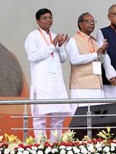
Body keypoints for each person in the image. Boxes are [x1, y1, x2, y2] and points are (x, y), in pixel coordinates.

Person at [24, 8, 71, 140]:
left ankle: (56, 144)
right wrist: (52, 45)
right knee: (40, 119)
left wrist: (60, 46)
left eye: (50, 17)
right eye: (44, 18)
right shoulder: (32, 36)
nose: (48, 20)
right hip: (42, 82)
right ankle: (41, 146)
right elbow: (32, 57)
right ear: (38, 21)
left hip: (56, 82)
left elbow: (62, 59)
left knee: (59, 117)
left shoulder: (54, 36)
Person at [66, 12, 109, 113]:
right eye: (88, 21)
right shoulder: (73, 40)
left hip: (97, 85)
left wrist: (103, 52)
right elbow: (74, 60)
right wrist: (95, 54)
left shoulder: (94, 41)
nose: (92, 24)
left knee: (97, 119)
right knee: (81, 118)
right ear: (80, 24)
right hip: (81, 86)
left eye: (93, 21)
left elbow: (101, 61)